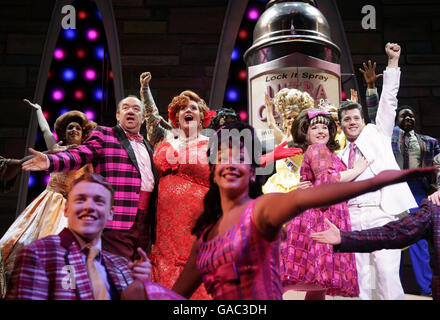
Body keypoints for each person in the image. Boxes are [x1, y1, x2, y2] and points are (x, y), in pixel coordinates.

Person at [162, 121, 435, 300]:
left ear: (254, 169)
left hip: (328, 221)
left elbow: (314, 194)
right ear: (212, 169)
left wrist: (382, 178)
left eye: (241, 157)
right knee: (315, 284)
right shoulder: (206, 239)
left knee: (318, 285)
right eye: (223, 157)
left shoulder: (262, 211)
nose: (231, 164)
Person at [21, 96, 159, 263]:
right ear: (117, 115)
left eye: (136, 109)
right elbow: (79, 155)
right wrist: (50, 161)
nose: (131, 111)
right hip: (117, 220)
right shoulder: (105, 134)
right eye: (126, 108)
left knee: (136, 275)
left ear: (143, 118)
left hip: (144, 223)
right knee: (116, 274)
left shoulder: (148, 146)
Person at [336, 42, 417, 300]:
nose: (352, 123)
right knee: (360, 282)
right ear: (341, 125)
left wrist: (393, 63)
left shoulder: (377, 133)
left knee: (387, 276)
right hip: (352, 220)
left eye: (356, 118)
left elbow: (388, 101)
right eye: (346, 120)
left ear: (363, 121)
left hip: (382, 215)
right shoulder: (338, 156)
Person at [6, 172, 151, 300]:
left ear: (110, 213)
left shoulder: (122, 266)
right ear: (66, 209)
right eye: (81, 199)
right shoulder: (40, 254)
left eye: (99, 201)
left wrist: (141, 286)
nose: (89, 207)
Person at [362, 60, 439, 296]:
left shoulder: (429, 142)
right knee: (395, 239)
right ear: (396, 121)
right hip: (396, 186)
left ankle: (426, 288)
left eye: (411, 115)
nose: (407, 118)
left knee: (422, 242)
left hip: (421, 190)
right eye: (403, 115)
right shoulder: (389, 136)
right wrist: (372, 87)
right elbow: (378, 113)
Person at [0, 107, 96, 297]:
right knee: (18, 244)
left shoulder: (88, 157)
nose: (73, 131)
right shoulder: (56, 150)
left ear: (83, 133)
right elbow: (45, 132)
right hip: (47, 204)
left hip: (70, 210)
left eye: (77, 128)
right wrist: (39, 111)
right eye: (69, 128)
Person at [280, 109, 371, 299]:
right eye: (315, 127)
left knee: (318, 285)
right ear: (305, 132)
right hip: (318, 217)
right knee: (307, 278)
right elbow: (327, 180)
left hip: (325, 214)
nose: (321, 131)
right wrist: (357, 170)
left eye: (324, 127)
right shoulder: (317, 149)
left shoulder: (327, 152)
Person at [139, 72, 216, 299]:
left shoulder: (214, 142)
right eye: (182, 108)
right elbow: (152, 117)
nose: (188, 110)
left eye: (193, 107)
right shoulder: (164, 140)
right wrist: (144, 89)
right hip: (165, 223)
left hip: (199, 218)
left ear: (202, 116)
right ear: (175, 116)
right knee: (166, 269)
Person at [310, 199, 440, 300]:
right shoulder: (435, 209)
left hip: (382, 207)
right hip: (361, 211)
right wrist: (344, 237)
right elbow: (392, 234)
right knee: (367, 279)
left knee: (387, 276)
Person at [262, 88, 314, 194]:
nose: (291, 120)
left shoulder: (305, 137)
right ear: (284, 121)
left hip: (297, 183)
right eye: (288, 118)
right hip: (279, 183)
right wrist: (268, 106)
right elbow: (271, 125)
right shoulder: (282, 138)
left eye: (294, 117)